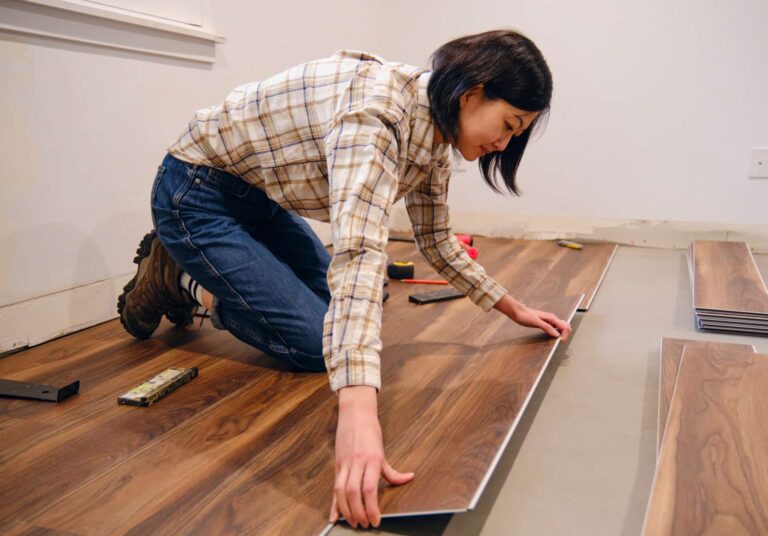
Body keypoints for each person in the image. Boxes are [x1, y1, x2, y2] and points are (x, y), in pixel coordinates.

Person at [118, 29, 572, 530]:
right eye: (508, 125)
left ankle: (203, 270)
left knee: (350, 310)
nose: (504, 144)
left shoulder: (434, 133)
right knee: (318, 344)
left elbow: (438, 243)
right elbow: (357, 254)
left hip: (258, 199)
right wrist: (359, 418)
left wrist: (512, 307)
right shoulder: (376, 120)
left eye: (516, 134)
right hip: (196, 195)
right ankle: (179, 278)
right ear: (472, 93)